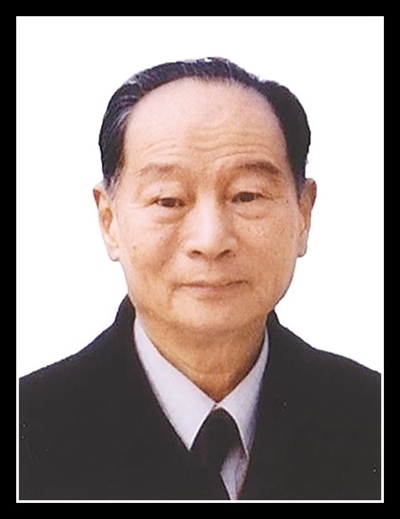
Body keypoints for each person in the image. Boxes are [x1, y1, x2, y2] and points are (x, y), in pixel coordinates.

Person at [19, 57, 381, 501]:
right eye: (169, 200)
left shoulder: (371, 417)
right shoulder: (29, 430)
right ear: (109, 221)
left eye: (246, 195)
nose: (211, 240)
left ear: (303, 214)